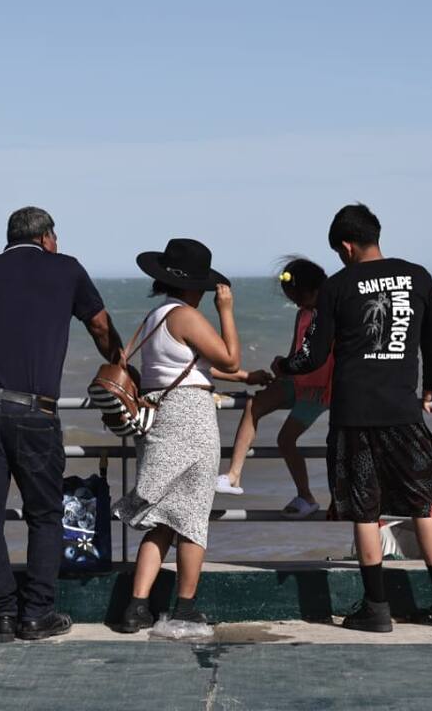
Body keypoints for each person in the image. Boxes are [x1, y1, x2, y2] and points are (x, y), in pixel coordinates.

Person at [273, 203, 432, 631]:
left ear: (347, 247)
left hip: (353, 417)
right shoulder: (418, 276)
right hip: (402, 412)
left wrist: (284, 366)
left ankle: (376, 608)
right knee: (422, 505)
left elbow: (312, 355)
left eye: (339, 251)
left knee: (365, 511)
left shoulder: (336, 286)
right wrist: (430, 386)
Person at [0, 206, 124, 643]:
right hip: (35, 412)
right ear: (48, 237)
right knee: (45, 514)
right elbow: (100, 325)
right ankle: (36, 614)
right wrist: (118, 361)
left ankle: (0, 618)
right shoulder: (66, 270)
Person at [112, 239, 242, 633]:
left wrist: (243, 379)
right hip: (190, 418)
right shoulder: (186, 316)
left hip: (160, 417)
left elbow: (182, 363)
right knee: (191, 517)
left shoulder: (155, 316)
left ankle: (137, 606)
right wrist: (226, 311)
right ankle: (185, 606)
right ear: (194, 286)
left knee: (162, 519)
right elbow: (230, 357)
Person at [215, 258, 333, 520]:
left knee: (285, 439)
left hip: (318, 390)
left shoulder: (329, 314)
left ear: (314, 291)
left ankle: (306, 496)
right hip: (295, 382)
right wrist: (280, 370)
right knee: (253, 405)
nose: (294, 302)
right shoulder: (302, 314)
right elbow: (295, 352)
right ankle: (233, 475)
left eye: (296, 296)